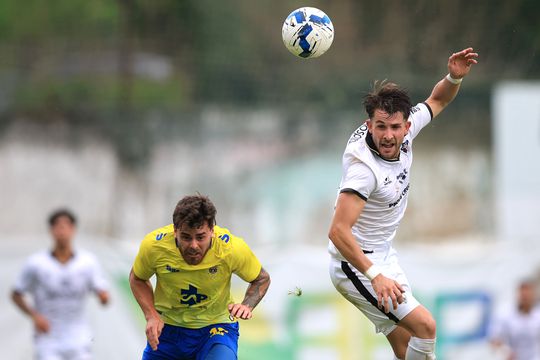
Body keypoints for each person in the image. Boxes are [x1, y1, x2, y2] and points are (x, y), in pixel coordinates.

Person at [327, 47, 478, 360]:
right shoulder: (363, 171)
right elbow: (338, 231)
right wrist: (375, 276)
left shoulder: (406, 132)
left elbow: (438, 99)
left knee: (405, 346)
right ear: (369, 125)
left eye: (395, 127)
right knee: (426, 326)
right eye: (380, 126)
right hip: (354, 265)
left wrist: (453, 77)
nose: (387, 135)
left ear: (407, 127)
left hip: (383, 256)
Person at [129, 194, 271, 360]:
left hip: (216, 327)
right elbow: (137, 278)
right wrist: (151, 315)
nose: (193, 245)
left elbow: (262, 278)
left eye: (201, 237)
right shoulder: (154, 246)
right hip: (168, 329)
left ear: (212, 230)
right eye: (186, 237)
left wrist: (247, 305)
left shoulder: (231, 248)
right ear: (175, 231)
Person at [12, 209, 110, 360]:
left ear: (73, 230)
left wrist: (103, 297)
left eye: (66, 226)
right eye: (58, 226)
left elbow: (102, 292)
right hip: (48, 338)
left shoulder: (87, 262)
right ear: (51, 230)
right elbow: (16, 294)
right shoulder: (37, 263)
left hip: (79, 336)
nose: (62, 231)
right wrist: (35, 316)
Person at [489, 280, 540, 360]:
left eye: (528, 295)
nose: (525, 298)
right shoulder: (506, 315)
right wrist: (505, 351)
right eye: (523, 296)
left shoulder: (538, 315)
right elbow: (494, 339)